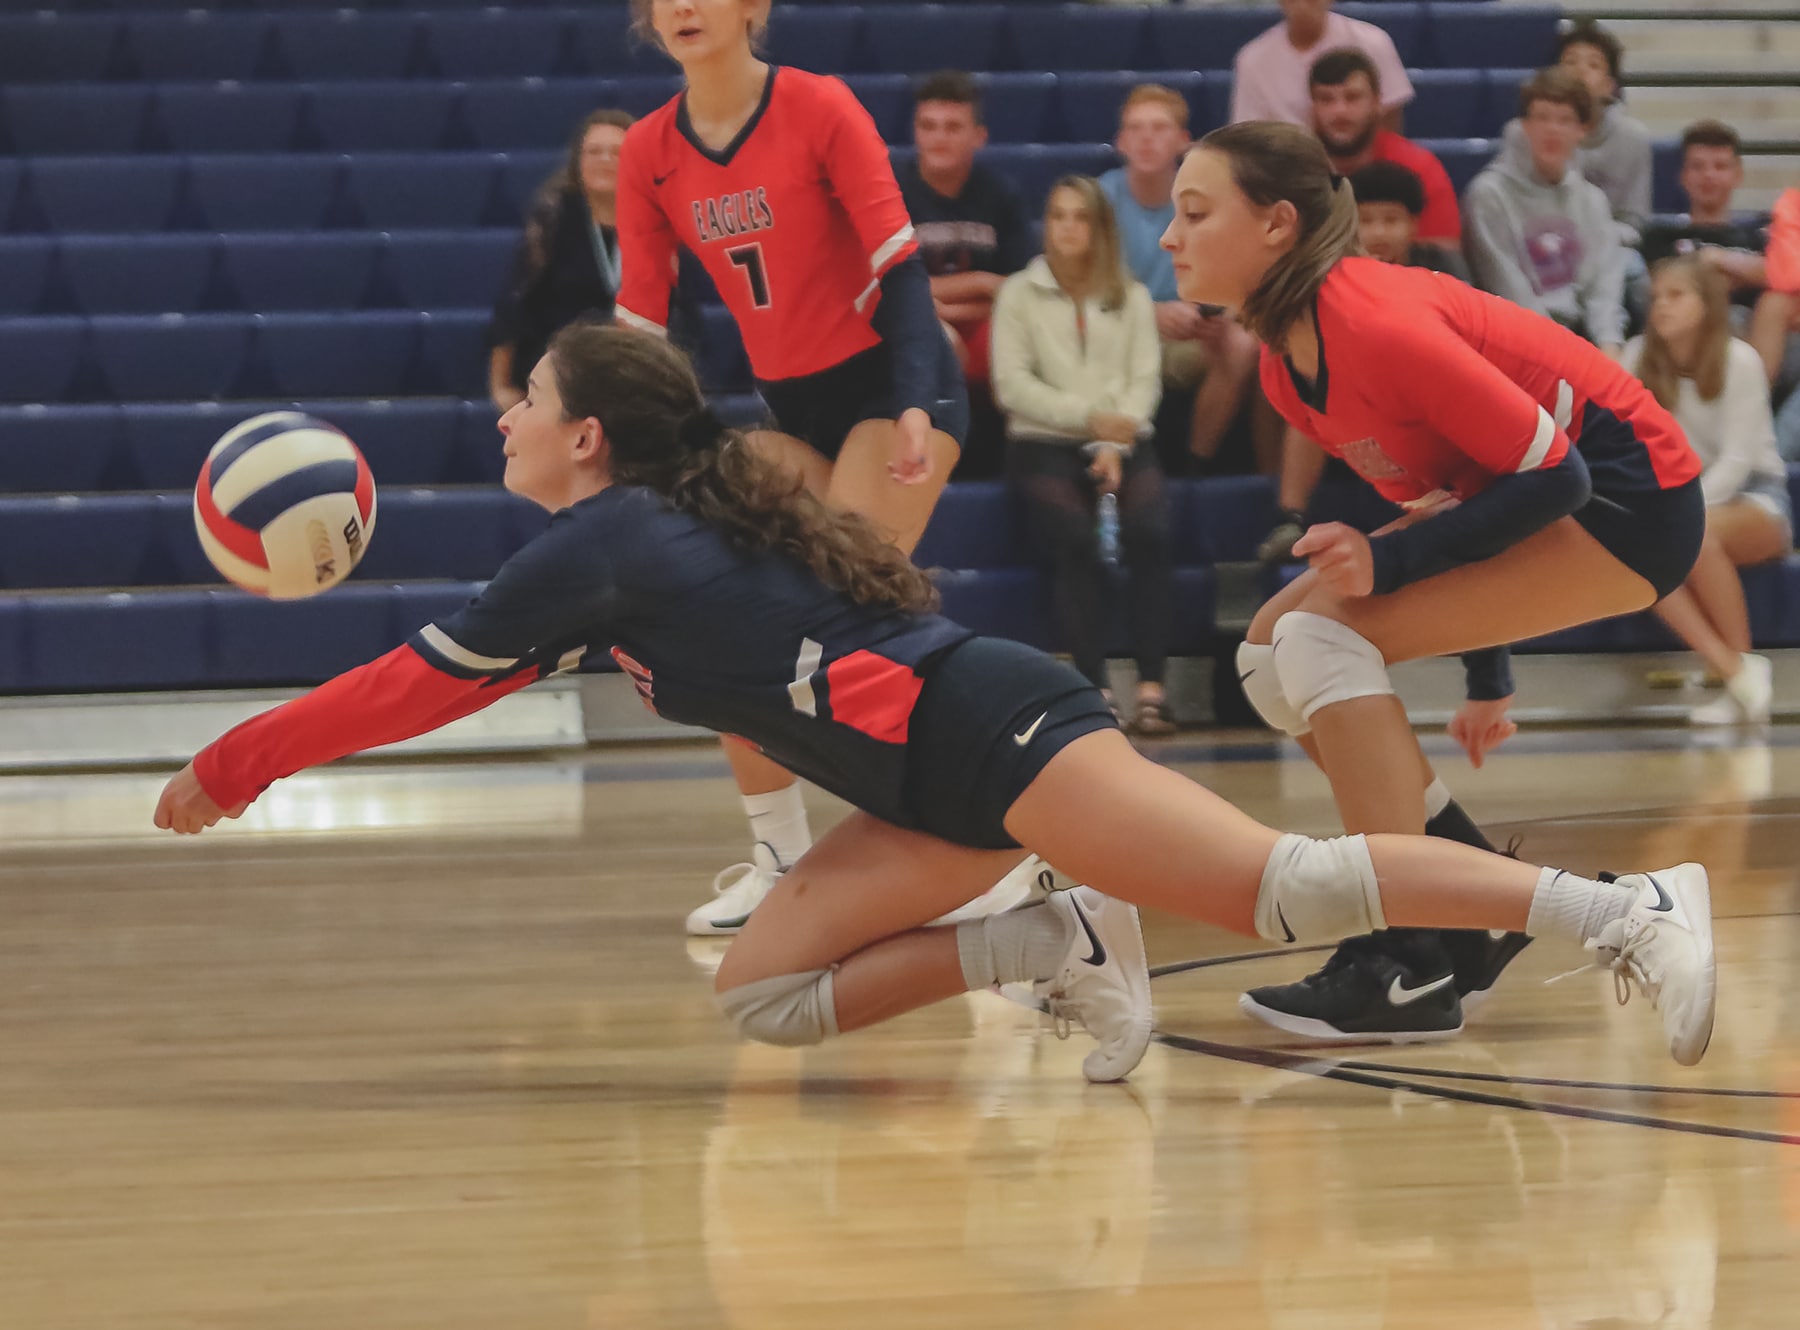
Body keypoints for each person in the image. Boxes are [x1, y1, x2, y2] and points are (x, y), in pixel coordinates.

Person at [154, 322, 1720, 1078]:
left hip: (992, 727)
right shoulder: (630, 548)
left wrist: (234, 763)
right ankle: (1049, 938)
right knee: (762, 993)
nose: (507, 414)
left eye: (531, 400)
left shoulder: (606, 540)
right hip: (919, 794)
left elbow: (410, 686)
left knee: (1284, 881)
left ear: (587, 443)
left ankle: (1629, 906)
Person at [1162, 121, 1706, 1043]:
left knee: (1319, 635)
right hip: (1552, 493)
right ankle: (1468, 911)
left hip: (1630, 494)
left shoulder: (1372, 321)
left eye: (1194, 212)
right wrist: (1484, 675)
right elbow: (1455, 503)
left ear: (1276, 226)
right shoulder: (1293, 371)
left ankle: (1404, 956)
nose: (1171, 236)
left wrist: (1393, 566)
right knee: (1266, 658)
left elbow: (1556, 475)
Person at [610, 0, 1027, 937]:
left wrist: (919, 398)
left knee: (844, 619)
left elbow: (903, 274)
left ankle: (983, 843)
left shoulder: (820, 106)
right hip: (794, 415)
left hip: (893, 391)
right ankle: (782, 857)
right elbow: (642, 324)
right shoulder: (650, 151)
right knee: (717, 605)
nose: (682, 6)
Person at [990, 177, 1172, 734]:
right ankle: (1091, 688)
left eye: (1079, 217)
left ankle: (1153, 687)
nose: (1067, 227)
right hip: (1042, 442)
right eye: (1057, 215)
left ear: (1099, 229)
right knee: (1074, 538)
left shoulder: (1133, 295)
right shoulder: (1018, 293)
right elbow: (1012, 386)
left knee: (1151, 531)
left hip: (1122, 442)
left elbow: (1146, 383)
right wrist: (1091, 420)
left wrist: (1114, 442)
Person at [1624, 257, 1789, 724]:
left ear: (1706, 304)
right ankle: (1736, 672)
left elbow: (1738, 461)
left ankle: (1738, 670)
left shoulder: (1740, 360)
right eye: (1656, 297)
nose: (1662, 307)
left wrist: (1677, 510)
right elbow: (1620, 444)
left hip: (1755, 499)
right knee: (1639, 553)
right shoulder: (1636, 356)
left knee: (1692, 537)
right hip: (1674, 500)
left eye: (1676, 296)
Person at [1097, 84, 1261, 472]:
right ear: (1121, 142)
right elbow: (1087, 287)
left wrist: (1213, 314)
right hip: (1119, 328)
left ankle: (1195, 466)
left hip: (1192, 330)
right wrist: (1149, 313)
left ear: (1184, 141)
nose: (1148, 138)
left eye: (1159, 127)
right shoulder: (1098, 197)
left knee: (1241, 345)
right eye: (1136, 129)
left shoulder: (1213, 197)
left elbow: (1238, 276)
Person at [489, 110, 648, 412]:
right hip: (561, 370)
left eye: (617, 152)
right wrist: (501, 384)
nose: (605, 160)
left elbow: (681, 309)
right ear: (578, 160)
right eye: (594, 151)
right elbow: (514, 303)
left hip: (634, 373)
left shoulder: (654, 219)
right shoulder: (553, 216)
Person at [1464, 69, 1626, 355]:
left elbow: (1604, 287)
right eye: (1542, 117)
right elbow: (1507, 288)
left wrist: (1609, 345)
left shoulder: (1591, 200)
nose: (1552, 129)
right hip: (1517, 342)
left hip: (1581, 339)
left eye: (1564, 120)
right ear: (1524, 126)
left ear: (1582, 130)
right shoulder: (1489, 195)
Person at [898, 70, 1033, 388]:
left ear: (979, 136)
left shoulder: (1002, 194)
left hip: (986, 324)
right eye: (928, 126)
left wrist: (951, 306)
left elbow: (1017, 290)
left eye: (953, 127)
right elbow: (887, 289)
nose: (939, 138)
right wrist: (980, 281)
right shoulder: (889, 192)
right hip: (910, 323)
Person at [1308, 49, 1459, 247]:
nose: (1340, 111)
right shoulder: (1293, 171)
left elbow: (1444, 252)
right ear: (1311, 106)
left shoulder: (1418, 167)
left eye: (1352, 97)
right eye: (1326, 99)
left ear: (1377, 103)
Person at [1640, 120, 1771, 320]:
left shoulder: (1760, 237)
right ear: (1683, 176)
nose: (1709, 175)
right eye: (1698, 166)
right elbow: (1665, 285)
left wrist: (1715, 257)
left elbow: (1778, 274)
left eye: (1720, 167)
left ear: (1738, 175)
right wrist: (1743, 272)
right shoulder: (1659, 236)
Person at [1230, 0, 1413, 130]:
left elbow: (1390, 116)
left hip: (1362, 170)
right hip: (1285, 174)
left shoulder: (1374, 42)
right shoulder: (1252, 59)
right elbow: (1247, 133)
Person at [1351, 161, 1470, 280]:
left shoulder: (1442, 266)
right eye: (1365, 221)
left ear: (1413, 223)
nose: (1378, 233)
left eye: (1391, 220)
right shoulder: (1337, 271)